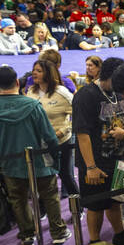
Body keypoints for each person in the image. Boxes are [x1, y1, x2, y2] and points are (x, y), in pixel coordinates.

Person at [0, 65, 69, 245]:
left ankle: (27, 235)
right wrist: (56, 158)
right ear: (17, 82)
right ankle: (58, 232)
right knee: (50, 196)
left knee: (18, 199)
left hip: (10, 163)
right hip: (40, 161)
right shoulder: (33, 105)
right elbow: (49, 136)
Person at [73, 57, 124, 245]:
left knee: (115, 200)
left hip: (116, 158)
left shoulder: (118, 93)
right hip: (94, 161)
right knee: (95, 205)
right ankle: (94, 241)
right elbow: (82, 133)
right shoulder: (86, 95)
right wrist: (90, 166)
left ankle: (119, 234)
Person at [26, 55, 77, 197]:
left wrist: (63, 131)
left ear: (48, 73)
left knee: (66, 176)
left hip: (60, 142)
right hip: (38, 144)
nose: (34, 73)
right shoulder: (31, 92)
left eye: (39, 71)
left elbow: (79, 115)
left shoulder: (62, 93)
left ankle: (78, 207)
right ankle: (42, 210)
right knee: (42, 179)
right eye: (33, 70)